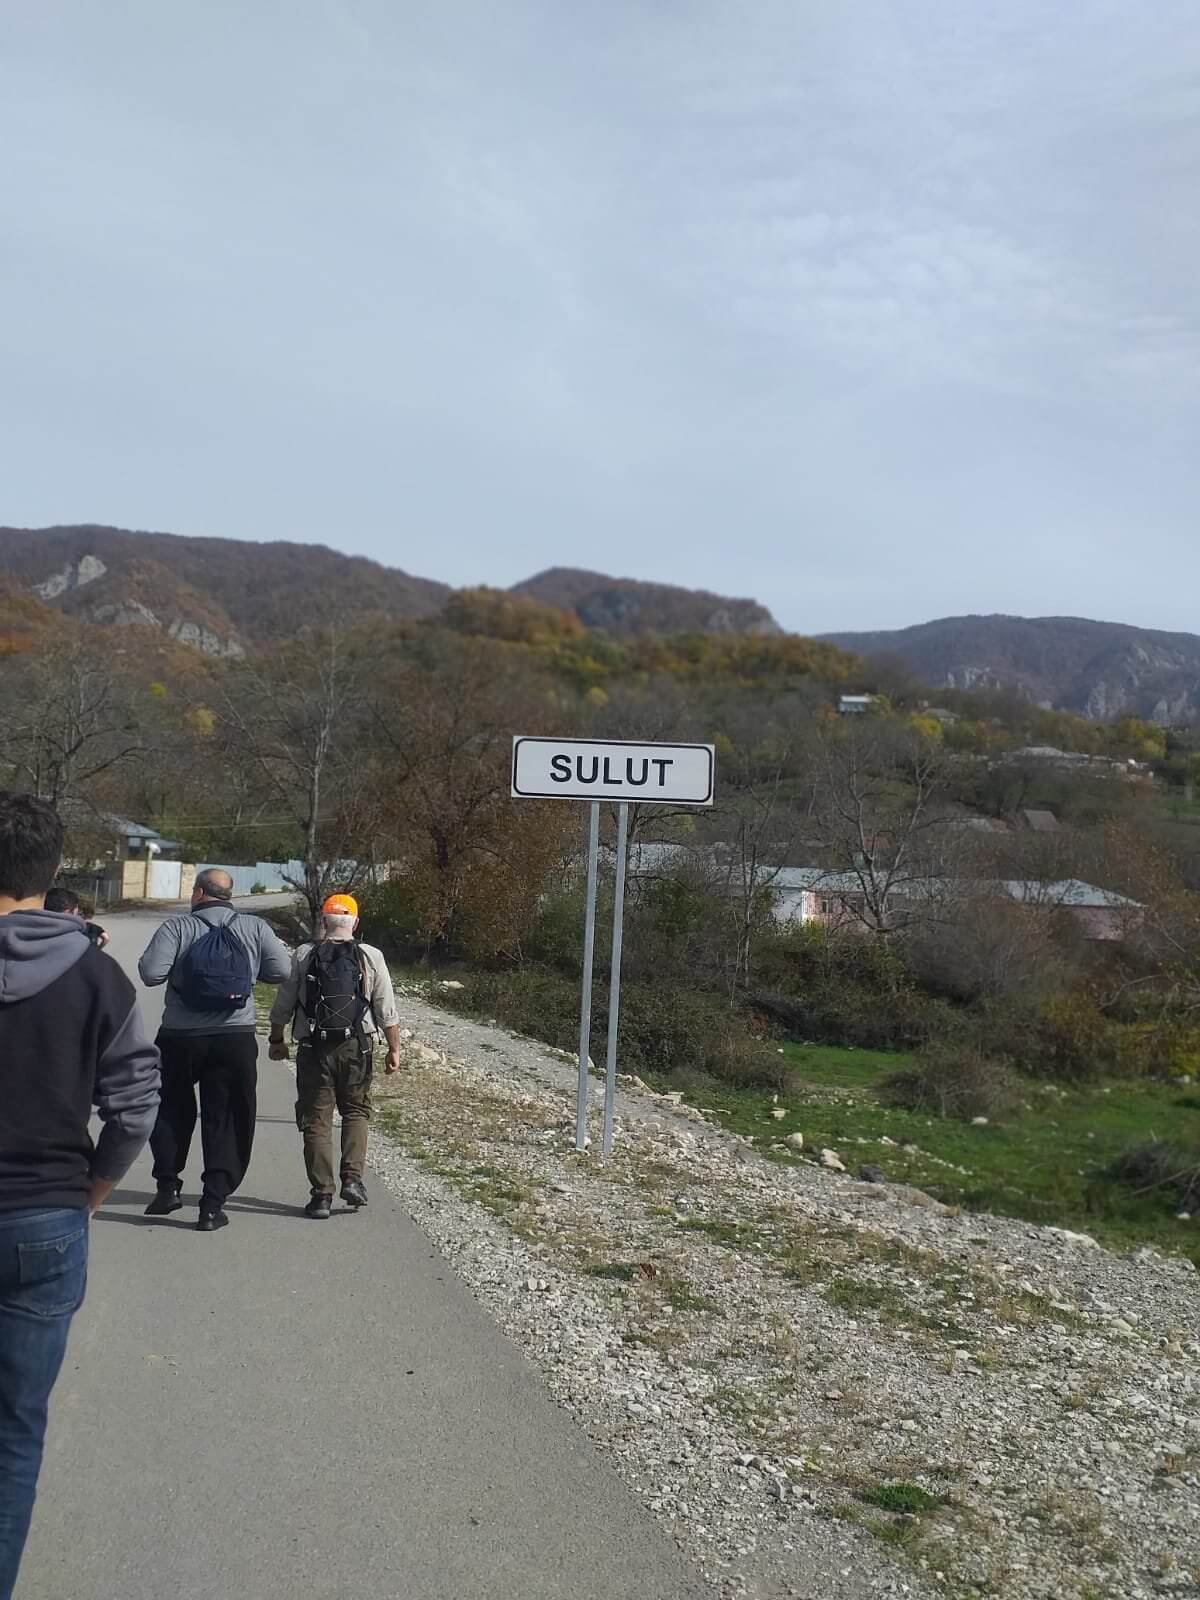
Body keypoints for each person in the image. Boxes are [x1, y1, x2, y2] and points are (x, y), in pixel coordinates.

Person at [0, 793, 160, 1599]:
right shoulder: (97, 976)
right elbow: (135, 1107)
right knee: (12, 1435)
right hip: (46, 1217)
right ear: (53, 870)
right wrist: (93, 1192)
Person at [137, 867, 291, 1232]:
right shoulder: (254, 927)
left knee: (168, 1108)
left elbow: (151, 974)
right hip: (235, 1036)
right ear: (229, 894)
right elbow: (281, 970)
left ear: (198, 893)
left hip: (179, 1036)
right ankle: (212, 1205)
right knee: (228, 1116)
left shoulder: (177, 927)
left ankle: (168, 1186)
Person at [268, 894, 401, 1219]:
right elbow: (386, 1008)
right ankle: (352, 1179)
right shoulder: (371, 955)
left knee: (317, 1120)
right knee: (355, 1111)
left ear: (325, 921)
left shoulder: (304, 954)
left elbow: (284, 1001)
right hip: (357, 1046)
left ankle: (321, 1196)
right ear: (355, 923)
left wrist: (277, 1038)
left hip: (314, 1047)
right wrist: (394, 1048)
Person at [43, 885, 109, 948]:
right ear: (71, 911)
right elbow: (106, 938)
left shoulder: (42, 931)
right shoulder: (89, 929)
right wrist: (98, 949)